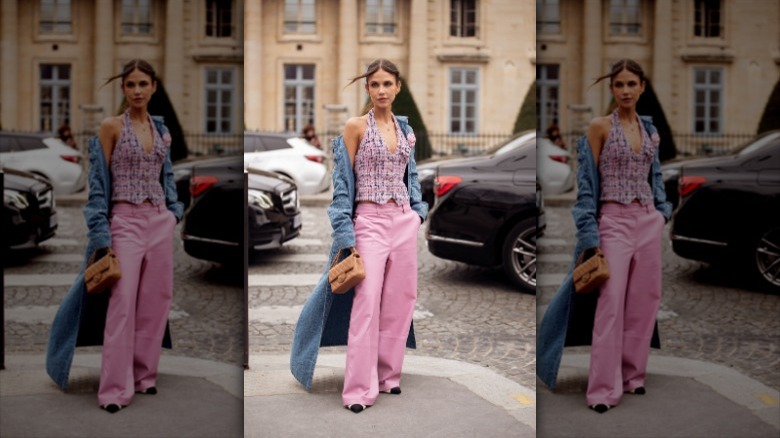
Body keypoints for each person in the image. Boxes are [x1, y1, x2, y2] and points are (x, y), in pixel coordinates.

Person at [289, 59, 428, 414]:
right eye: (375, 84)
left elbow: (411, 178)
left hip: (402, 221)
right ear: (367, 89)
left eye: (387, 84)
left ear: (398, 87)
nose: (381, 90)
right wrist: (346, 235)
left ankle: (388, 376)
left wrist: (417, 213)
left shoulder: (406, 131)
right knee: (365, 305)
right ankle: (357, 390)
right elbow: (342, 188)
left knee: (400, 302)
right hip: (369, 221)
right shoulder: (354, 127)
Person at [46, 59, 183, 414]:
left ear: (154, 87)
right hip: (125, 220)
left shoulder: (161, 130)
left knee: (156, 302)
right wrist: (101, 234)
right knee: (121, 305)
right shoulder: (110, 127)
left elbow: (166, 176)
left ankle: (144, 376)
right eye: (130, 84)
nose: (137, 90)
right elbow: (97, 188)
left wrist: (173, 213)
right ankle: (113, 389)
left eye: (143, 84)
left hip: (158, 221)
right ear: (123, 89)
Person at [536, 59, 672, 413]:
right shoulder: (598, 127)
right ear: (612, 89)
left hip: (646, 221)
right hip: (613, 220)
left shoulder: (649, 130)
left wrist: (662, 213)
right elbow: (585, 188)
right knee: (609, 305)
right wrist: (590, 234)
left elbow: (654, 177)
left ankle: (633, 377)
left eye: (631, 84)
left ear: (643, 87)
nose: (625, 90)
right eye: (619, 85)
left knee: (644, 302)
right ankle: (601, 390)